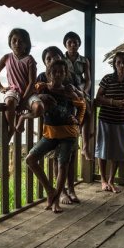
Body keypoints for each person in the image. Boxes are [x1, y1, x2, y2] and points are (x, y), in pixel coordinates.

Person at [26, 59, 86, 214]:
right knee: (30, 159)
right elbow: (31, 97)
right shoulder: (42, 88)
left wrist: (77, 120)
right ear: (48, 74)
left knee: (62, 165)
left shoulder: (69, 91)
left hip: (68, 134)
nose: (58, 75)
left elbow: (82, 105)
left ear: (65, 73)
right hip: (50, 134)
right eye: (54, 72)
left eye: (61, 72)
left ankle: (56, 201)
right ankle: (50, 191)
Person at [37, 46, 83, 205]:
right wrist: (40, 95)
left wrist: (78, 119)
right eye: (48, 59)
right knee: (57, 160)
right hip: (52, 127)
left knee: (68, 159)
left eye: (55, 57)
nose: (52, 61)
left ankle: (71, 188)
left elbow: (81, 98)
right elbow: (34, 95)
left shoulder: (68, 77)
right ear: (45, 62)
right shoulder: (42, 77)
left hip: (69, 126)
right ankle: (60, 193)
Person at [94, 51, 124, 193]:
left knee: (117, 151)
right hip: (106, 118)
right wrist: (113, 102)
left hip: (122, 120)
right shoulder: (107, 79)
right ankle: (103, 180)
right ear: (114, 64)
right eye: (118, 62)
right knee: (102, 149)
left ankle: (111, 180)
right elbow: (98, 98)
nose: (121, 65)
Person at [0, 28, 41, 140]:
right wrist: (0, 87)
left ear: (26, 44)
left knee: (39, 108)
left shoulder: (30, 60)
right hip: (13, 90)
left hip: (28, 93)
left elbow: (32, 83)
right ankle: (11, 127)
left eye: (21, 41)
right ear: (10, 42)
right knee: (10, 102)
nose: (17, 43)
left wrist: (24, 101)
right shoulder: (7, 58)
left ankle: (23, 118)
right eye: (14, 40)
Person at [63, 31, 94, 160]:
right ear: (65, 44)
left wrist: (85, 91)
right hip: (67, 89)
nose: (72, 45)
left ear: (79, 44)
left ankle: (85, 146)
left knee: (88, 112)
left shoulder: (83, 60)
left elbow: (88, 79)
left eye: (75, 42)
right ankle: (75, 142)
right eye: (69, 42)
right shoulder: (61, 59)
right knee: (71, 115)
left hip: (80, 89)